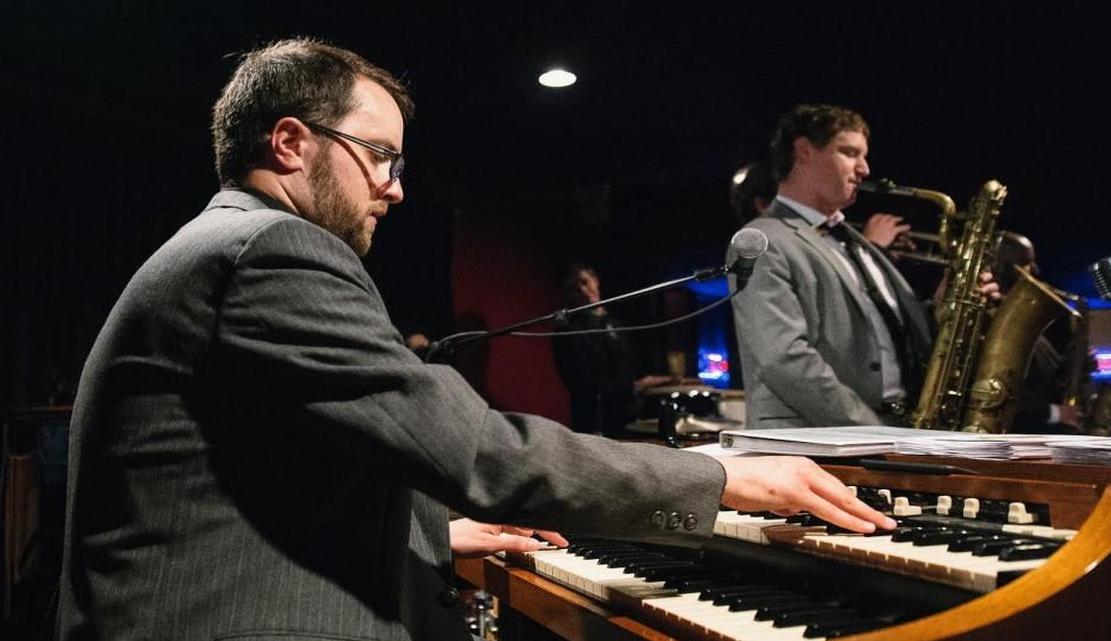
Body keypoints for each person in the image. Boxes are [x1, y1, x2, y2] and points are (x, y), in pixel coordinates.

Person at [58, 40, 894, 641]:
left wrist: (429, 529)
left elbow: (267, 467)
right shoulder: (272, 248)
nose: (394, 186)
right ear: (289, 142)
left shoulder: (224, 242)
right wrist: (721, 477)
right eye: (379, 156)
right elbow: (481, 449)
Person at [729, 104, 938, 428]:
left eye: (864, 155)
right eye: (850, 152)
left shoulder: (855, 240)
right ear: (804, 151)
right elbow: (783, 358)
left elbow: (885, 332)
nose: (865, 168)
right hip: (823, 442)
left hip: (894, 430)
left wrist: (947, 304)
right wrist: (872, 428)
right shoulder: (760, 239)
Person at [551, 263, 675, 436]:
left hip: (629, 417)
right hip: (593, 423)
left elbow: (629, 366)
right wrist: (635, 386)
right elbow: (581, 385)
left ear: (596, 280)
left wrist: (651, 381)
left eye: (586, 282)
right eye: (574, 288)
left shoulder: (616, 325)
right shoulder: (569, 331)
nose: (584, 291)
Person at [992, 233, 1083, 433]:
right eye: (1026, 262)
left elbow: (1043, 379)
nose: (1035, 269)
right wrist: (1057, 413)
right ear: (1005, 267)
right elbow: (1003, 397)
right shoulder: (993, 321)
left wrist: (1074, 364)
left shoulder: (1023, 324)